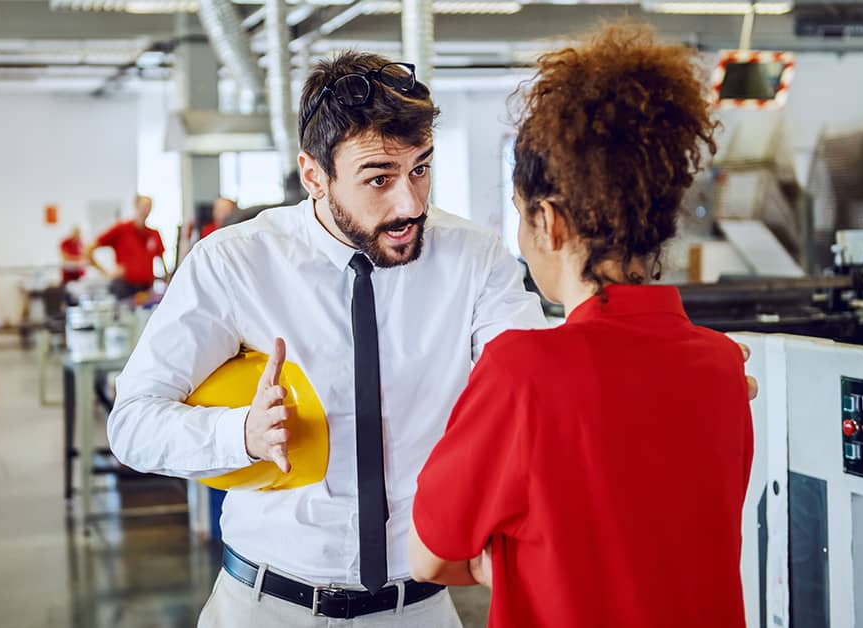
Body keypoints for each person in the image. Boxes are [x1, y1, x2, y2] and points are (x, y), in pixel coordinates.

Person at [108, 53, 545, 627]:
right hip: (267, 606)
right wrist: (241, 434)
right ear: (314, 175)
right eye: (379, 178)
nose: (411, 204)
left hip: (418, 606)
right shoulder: (235, 262)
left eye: (421, 169)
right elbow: (132, 424)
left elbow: (532, 390)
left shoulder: (473, 257)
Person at [407, 23, 753, 628]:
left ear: (549, 222)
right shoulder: (723, 366)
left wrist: (504, 564)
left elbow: (428, 557)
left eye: (520, 216)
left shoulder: (523, 373)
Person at [85, 195, 168, 300]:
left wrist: (167, 280)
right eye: (143, 206)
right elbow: (88, 249)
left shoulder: (153, 234)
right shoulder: (121, 229)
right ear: (136, 206)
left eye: (148, 207)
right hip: (124, 288)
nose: (145, 211)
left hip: (146, 289)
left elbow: (161, 258)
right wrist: (105, 272)